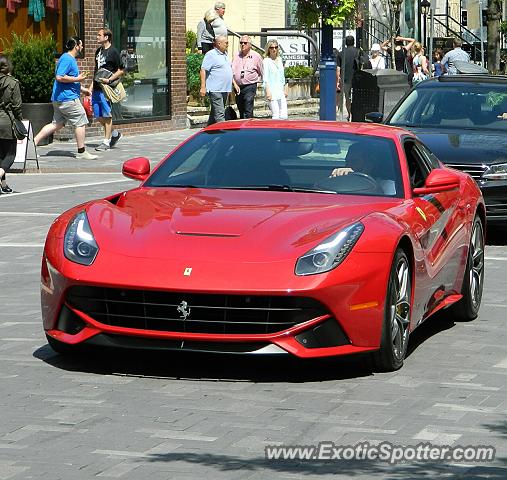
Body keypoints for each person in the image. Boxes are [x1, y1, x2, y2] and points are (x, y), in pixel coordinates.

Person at [34, 37, 97, 160]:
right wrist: (78, 79)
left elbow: (67, 80)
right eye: (81, 45)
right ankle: (81, 151)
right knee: (81, 121)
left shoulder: (65, 58)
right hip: (68, 100)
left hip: (59, 99)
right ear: (76, 46)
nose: (82, 47)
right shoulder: (68, 59)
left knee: (57, 124)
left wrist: (83, 89)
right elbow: (60, 77)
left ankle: (31, 145)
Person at [90, 28, 124, 151]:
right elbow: (96, 69)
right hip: (96, 87)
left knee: (107, 114)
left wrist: (109, 80)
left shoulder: (114, 52)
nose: (97, 37)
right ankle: (114, 134)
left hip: (106, 88)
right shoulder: (98, 51)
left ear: (106, 37)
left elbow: (121, 70)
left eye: (99, 35)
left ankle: (106, 142)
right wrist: (91, 86)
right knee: (98, 115)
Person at [329, 142, 396, 195]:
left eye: (355, 161)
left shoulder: (388, 185)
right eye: (347, 161)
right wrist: (335, 180)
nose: (348, 165)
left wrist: (356, 175)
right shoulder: (342, 179)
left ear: (369, 164)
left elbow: (389, 205)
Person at [199, 34, 237, 125]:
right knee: (220, 113)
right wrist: (203, 87)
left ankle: (208, 131)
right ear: (219, 44)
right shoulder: (211, 54)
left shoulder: (225, 54)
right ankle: (224, 134)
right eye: (226, 43)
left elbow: (228, 70)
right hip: (215, 89)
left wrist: (234, 83)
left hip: (224, 89)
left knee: (215, 112)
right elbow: (203, 70)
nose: (228, 44)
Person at [0, 55, 22, 193]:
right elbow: (17, 106)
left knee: (0, 155)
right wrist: (19, 119)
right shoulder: (13, 83)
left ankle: (3, 184)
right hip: (7, 121)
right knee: (10, 154)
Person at [232, 35, 263, 118]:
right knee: (241, 108)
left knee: (248, 107)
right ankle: (243, 126)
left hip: (250, 85)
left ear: (250, 45)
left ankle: (248, 125)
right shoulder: (236, 55)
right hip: (238, 86)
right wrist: (234, 84)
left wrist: (261, 83)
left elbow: (262, 71)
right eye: (241, 43)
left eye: (245, 43)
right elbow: (231, 72)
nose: (242, 44)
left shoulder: (256, 56)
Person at [336, 36, 365, 121]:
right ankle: (356, 114)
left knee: (348, 98)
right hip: (358, 78)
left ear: (345, 43)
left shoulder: (341, 54)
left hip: (346, 79)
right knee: (357, 97)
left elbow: (338, 69)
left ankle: (350, 114)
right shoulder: (358, 51)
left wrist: (338, 81)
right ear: (354, 42)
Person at [263, 39, 288, 120]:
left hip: (280, 90)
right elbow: (265, 78)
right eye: (271, 47)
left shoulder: (280, 60)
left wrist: (285, 88)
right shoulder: (266, 61)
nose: (274, 49)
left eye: (276, 47)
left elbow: (283, 76)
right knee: (276, 115)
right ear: (268, 49)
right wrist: (268, 91)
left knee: (284, 115)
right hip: (272, 91)